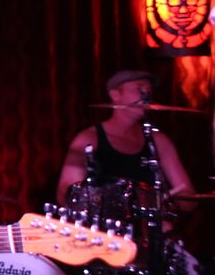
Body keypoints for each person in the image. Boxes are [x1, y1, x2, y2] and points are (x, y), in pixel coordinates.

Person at [56, 69, 194, 210]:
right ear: (115, 94)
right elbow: (67, 193)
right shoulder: (88, 139)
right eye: (139, 89)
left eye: (149, 90)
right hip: (106, 221)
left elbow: (188, 200)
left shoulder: (159, 141)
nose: (146, 96)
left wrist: (167, 205)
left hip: (148, 222)